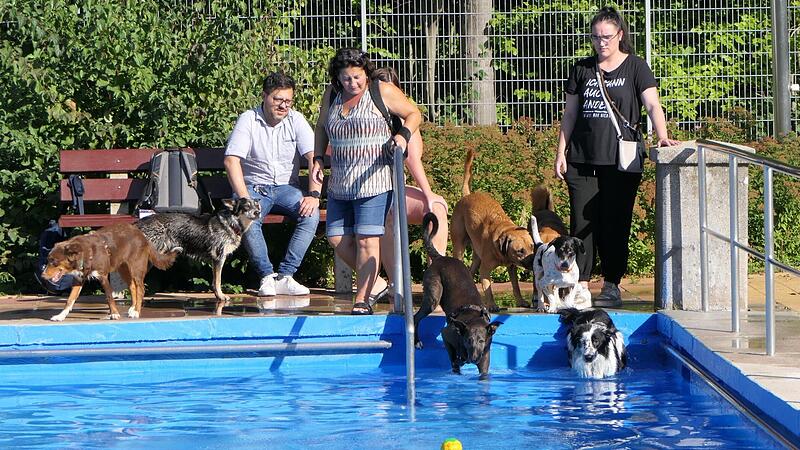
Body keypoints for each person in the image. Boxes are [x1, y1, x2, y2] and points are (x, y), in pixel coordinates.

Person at [554, 6, 679, 307]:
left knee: (615, 221)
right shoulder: (581, 69)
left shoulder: (636, 67)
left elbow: (652, 104)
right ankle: (580, 284)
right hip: (582, 159)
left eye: (607, 37)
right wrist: (561, 151)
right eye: (596, 38)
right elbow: (570, 114)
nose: (601, 43)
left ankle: (611, 283)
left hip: (621, 160)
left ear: (620, 35)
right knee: (582, 222)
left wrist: (661, 134)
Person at [312, 48, 422, 315]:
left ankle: (362, 299)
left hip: (375, 181)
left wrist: (403, 135)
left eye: (358, 77)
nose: (353, 83)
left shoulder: (381, 91)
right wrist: (317, 159)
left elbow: (414, 113)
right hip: (341, 181)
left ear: (366, 74)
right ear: (338, 78)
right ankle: (377, 282)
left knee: (366, 240)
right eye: (347, 78)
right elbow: (321, 127)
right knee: (337, 238)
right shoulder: (333, 95)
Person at [224, 72, 321, 297]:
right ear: (265, 96)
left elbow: (314, 157)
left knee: (311, 213)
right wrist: (243, 197)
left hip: (288, 188)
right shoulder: (248, 119)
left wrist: (314, 195)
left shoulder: (296, 119)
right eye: (278, 100)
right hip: (255, 186)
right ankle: (266, 277)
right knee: (247, 216)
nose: (283, 106)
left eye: (288, 101)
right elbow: (231, 160)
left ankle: (286, 276)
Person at [371, 67, 448, 298]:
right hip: (374, 191)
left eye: (390, 89)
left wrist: (428, 195)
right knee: (388, 214)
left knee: (438, 208)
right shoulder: (366, 118)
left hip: (397, 188)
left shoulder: (407, 121)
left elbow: (413, 160)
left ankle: (436, 276)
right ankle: (397, 285)